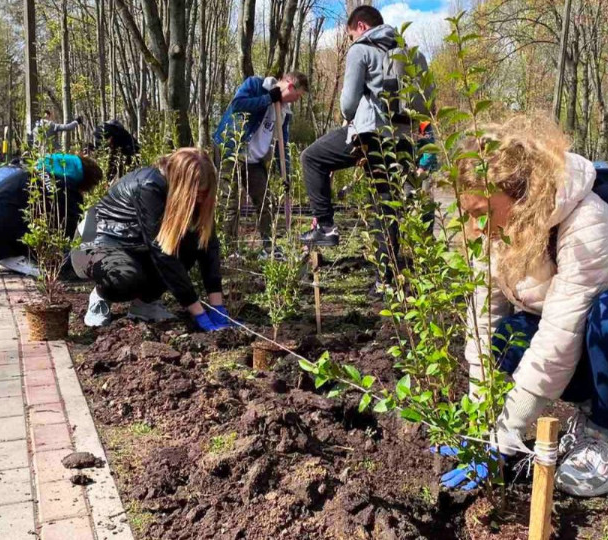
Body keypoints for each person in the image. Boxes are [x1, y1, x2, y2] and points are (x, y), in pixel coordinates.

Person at [446, 116, 608, 497]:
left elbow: (560, 334)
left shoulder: (588, 221)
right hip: (594, 336)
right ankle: (595, 406)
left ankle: (602, 437)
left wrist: (507, 435)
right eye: (467, 214)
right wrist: (478, 424)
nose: (474, 229)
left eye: (481, 213)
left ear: (520, 194)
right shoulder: (498, 235)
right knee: (509, 335)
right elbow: (484, 322)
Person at [299, 5, 430, 288]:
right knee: (387, 206)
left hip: (370, 135)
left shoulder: (361, 49)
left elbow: (348, 103)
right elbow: (425, 103)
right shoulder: (413, 53)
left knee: (312, 158)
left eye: (349, 35)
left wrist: (350, 119)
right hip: (404, 140)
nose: (350, 41)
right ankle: (387, 282)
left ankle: (326, 226)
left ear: (360, 26)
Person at [77, 148, 231, 332]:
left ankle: (144, 304)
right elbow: (162, 251)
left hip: (138, 246)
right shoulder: (149, 186)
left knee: (191, 244)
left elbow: (208, 248)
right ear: (183, 185)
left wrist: (217, 308)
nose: (200, 199)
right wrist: (197, 312)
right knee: (126, 278)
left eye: (204, 194)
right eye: (196, 193)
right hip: (103, 242)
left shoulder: (193, 200)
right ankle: (101, 295)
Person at [213, 72, 309, 256]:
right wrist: (267, 99)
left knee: (266, 201)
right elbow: (237, 105)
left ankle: (268, 247)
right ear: (289, 86)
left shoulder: (285, 111)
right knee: (230, 203)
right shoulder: (255, 85)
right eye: (298, 95)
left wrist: (284, 172)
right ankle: (229, 249)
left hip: (254, 160)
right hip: (231, 150)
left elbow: (283, 143)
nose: (297, 100)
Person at [0, 154, 103, 276]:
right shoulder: (63, 188)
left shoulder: (36, 174)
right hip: (0, 234)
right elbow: (71, 226)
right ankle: (14, 256)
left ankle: (13, 254)